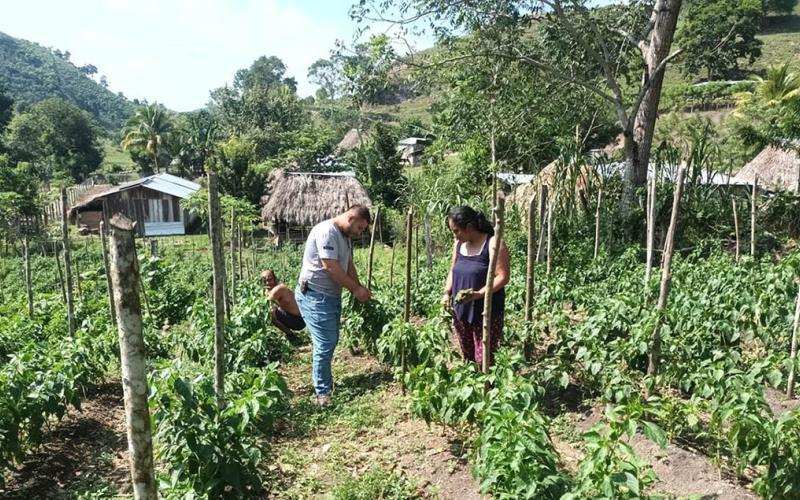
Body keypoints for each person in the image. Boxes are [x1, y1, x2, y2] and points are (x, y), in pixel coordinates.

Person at [295, 205, 372, 407]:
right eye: (360, 228)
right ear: (351, 218)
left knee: (330, 341)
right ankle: (322, 394)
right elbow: (330, 267)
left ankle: (324, 384)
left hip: (329, 296)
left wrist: (359, 286)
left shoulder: (344, 236)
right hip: (315, 296)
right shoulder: (326, 231)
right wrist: (355, 290)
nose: (360, 233)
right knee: (325, 343)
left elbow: (348, 265)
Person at [442, 206, 510, 368]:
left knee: (484, 359)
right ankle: (472, 390)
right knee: (468, 356)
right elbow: (453, 269)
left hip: (486, 313)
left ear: (470, 228)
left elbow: (503, 276)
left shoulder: (493, 243)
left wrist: (480, 294)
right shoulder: (459, 245)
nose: (455, 235)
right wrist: (446, 293)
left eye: (456, 231)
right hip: (462, 311)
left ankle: (488, 391)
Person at [262, 269, 305, 334]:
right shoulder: (280, 286)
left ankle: (290, 335)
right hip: (300, 318)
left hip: (299, 321)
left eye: (269, 280)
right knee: (274, 308)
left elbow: (264, 303)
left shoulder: (278, 289)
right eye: (264, 281)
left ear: (275, 279)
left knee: (269, 314)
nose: (267, 283)